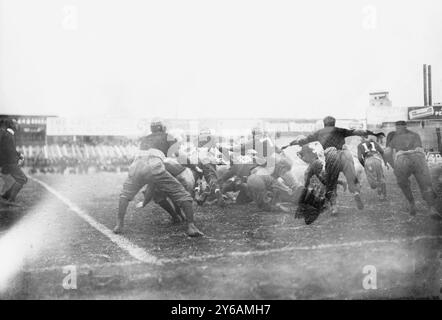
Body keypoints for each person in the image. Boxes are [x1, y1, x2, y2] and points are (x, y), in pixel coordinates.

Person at [114, 119, 203, 237]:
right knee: (183, 195)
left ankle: (119, 225)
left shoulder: (145, 139)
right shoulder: (168, 136)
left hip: (136, 165)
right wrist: (194, 167)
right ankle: (191, 226)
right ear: (162, 128)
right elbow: (179, 156)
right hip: (153, 164)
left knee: (125, 195)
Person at [282, 116, 384, 214]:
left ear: (324, 123)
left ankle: (334, 206)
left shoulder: (319, 133)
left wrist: (289, 144)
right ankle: (356, 193)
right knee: (351, 177)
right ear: (334, 123)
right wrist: (374, 134)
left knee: (331, 182)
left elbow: (302, 140)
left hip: (331, 155)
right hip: (344, 155)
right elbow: (357, 132)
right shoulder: (340, 130)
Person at [386, 121, 438, 217]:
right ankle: (431, 209)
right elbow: (419, 149)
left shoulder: (393, 136)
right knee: (425, 184)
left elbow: (387, 153)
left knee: (403, 183)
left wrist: (394, 167)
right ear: (405, 126)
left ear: (396, 127)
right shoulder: (415, 135)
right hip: (417, 157)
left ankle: (412, 204)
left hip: (402, 159)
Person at [0, 117, 27, 205]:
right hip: (10, 163)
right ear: (11, 124)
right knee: (22, 179)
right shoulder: (7, 135)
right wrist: (17, 159)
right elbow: (8, 151)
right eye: (15, 123)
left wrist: (19, 155)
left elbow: (10, 149)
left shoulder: (8, 134)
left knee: (15, 180)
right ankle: (11, 200)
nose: (17, 124)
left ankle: (6, 196)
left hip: (8, 162)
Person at [357, 136, 389, 200]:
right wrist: (385, 162)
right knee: (381, 178)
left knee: (373, 184)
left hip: (368, 162)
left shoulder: (360, 145)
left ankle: (379, 188)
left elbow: (360, 158)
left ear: (361, 139)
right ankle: (383, 195)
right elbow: (382, 152)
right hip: (377, 160)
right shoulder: (373, 142)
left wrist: (364, 165)